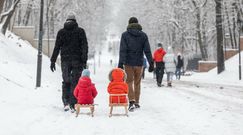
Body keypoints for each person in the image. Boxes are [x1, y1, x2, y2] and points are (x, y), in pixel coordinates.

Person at [50, 13, 88, 112]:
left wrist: (53, 61)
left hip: (65, 61)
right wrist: (84, 61)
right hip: (77, 60)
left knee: (66, 80)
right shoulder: (80, 31)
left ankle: (66, 102)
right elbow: (84, 47)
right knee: (75, 81)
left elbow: (57, 47)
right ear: (75, 21)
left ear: (66, 20)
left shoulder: (61, 32)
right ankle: (73, 103)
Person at [118, 17, 154, 111]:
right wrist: (151, 62)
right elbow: (147, 50)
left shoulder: (125, 35)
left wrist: (120, 63)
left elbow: (123, 50)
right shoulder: (143, 35)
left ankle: (131, 101)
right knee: (137, 83)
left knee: (129, 82)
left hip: (128, 63)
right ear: (137, 24)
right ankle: (137, 102)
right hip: (139, 63)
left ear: (129, 24)